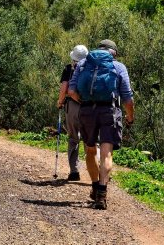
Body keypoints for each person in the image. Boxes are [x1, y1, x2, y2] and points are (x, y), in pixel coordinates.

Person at [68, 39, 134, 210]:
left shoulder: (83, 64)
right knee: (106, 154)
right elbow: (127, 98)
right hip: (109, 112)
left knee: (90, 151)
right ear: (114, 53)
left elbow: (71, 91)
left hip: (87, 112)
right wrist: (130, 117)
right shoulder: (119, 67)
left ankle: (95, 186)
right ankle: (102, 195)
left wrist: (84, 102)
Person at [57, 44, 88, 181]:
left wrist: (60, 102)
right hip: (89, 107)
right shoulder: (92, 68)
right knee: (90, 140)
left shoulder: (69, 69)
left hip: (73, 106)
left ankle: (74, 171)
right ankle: (97, 169)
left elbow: (64, 88)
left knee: (73, 138)